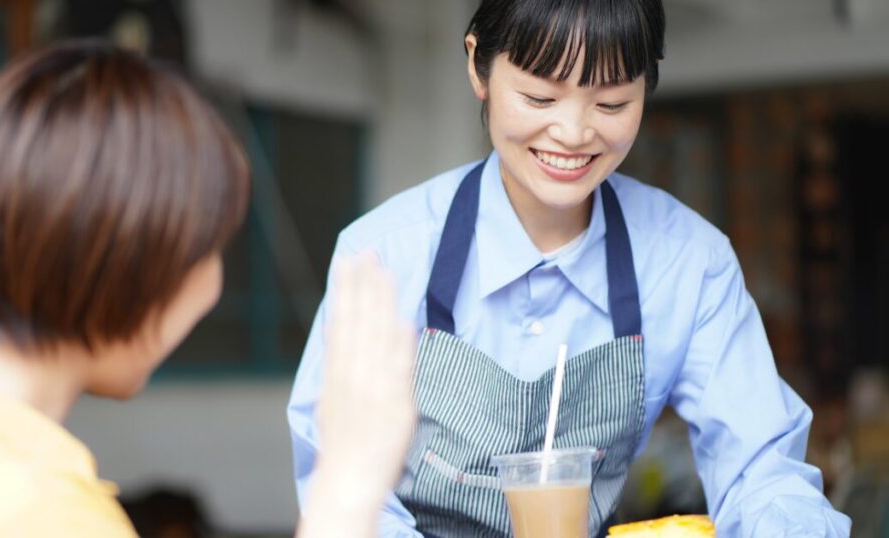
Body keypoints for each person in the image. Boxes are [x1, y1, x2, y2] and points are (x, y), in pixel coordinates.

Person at [287, 0, 852, 536]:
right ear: (478, 66)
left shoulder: (688, 264)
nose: (574, 133)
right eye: (539, 97)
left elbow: (759, 468)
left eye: (610, 104)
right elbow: (338, 484)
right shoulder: (386, 255)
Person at [0, 41, 417, 538]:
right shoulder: (41, 515)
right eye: (209, 246)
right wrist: (345, 491)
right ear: (132, 256)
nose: (210, 289)